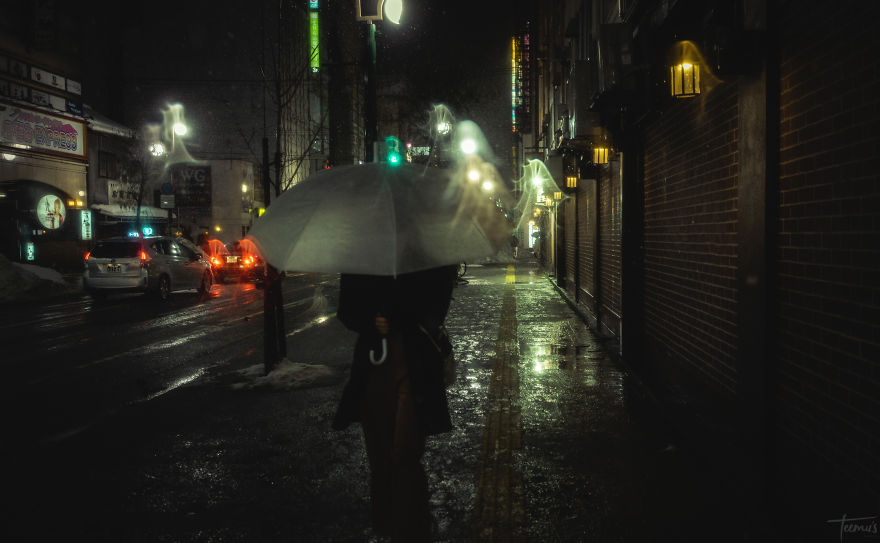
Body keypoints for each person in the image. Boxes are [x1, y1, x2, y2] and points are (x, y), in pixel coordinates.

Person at [332, 265, 458, 542]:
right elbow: (346, 310)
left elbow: (437, 306)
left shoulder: (424, 253)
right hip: (373, 366)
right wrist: (371, 321)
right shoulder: (362, 257)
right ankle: (386, 527)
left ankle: (412, 530)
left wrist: (401, 316)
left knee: (405, 453)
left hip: (415, 366)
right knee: (379, 457)